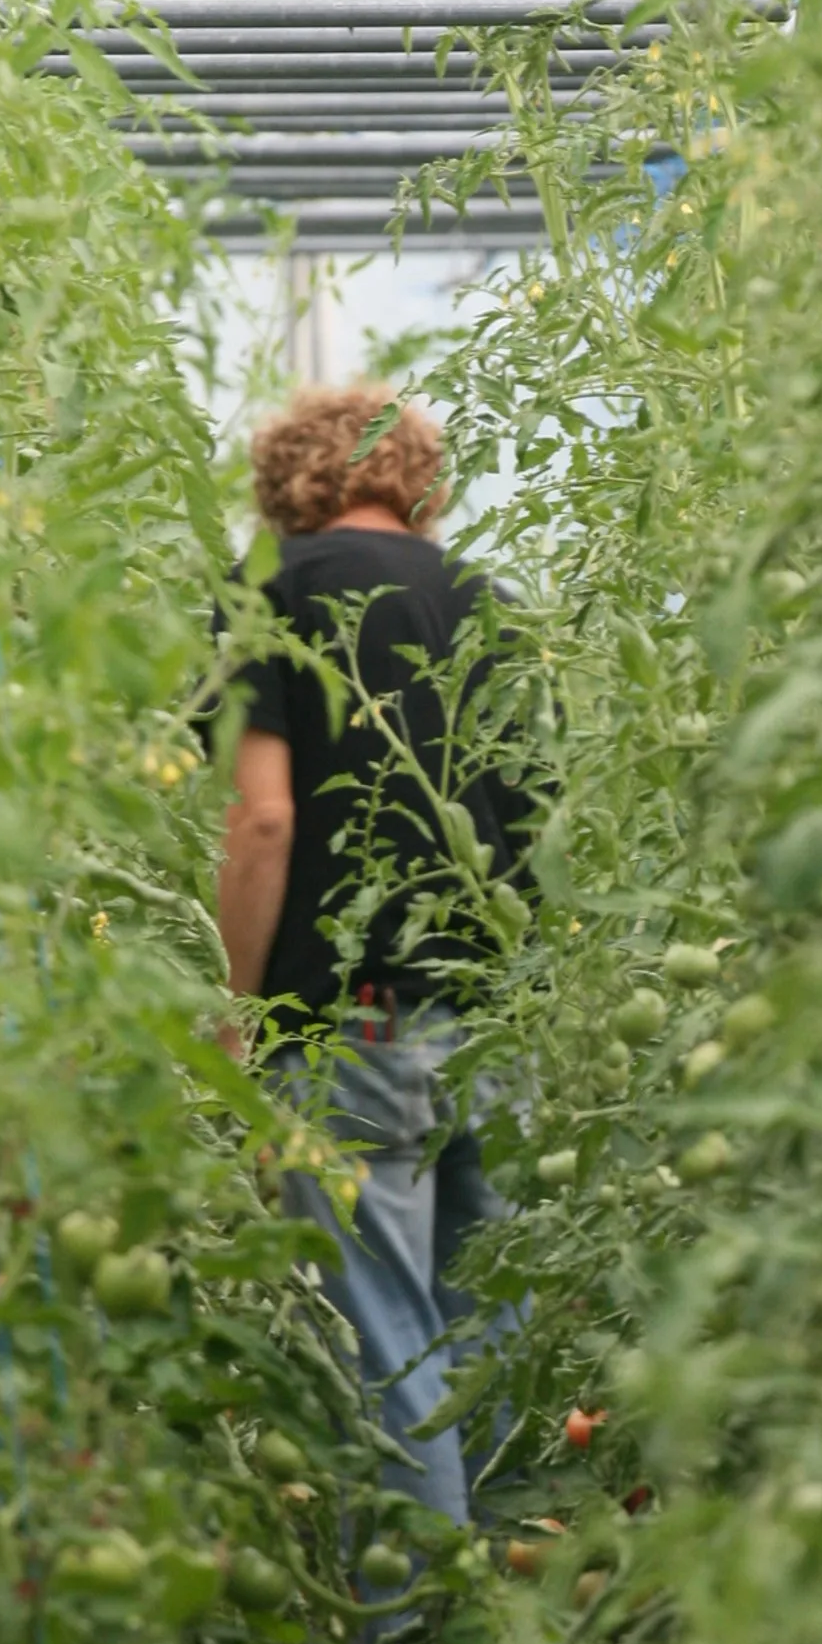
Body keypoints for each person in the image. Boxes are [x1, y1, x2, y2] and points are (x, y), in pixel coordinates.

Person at [215, 380, 536, 1538]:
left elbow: (263, 822)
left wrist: (235, 1009)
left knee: (386, 1339)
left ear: (290, 482)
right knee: (484, 1333)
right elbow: (528, 811)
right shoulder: (486, 602)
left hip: (349, 1013)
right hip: (492, 1011)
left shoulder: (272, 599)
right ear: (413, 476)